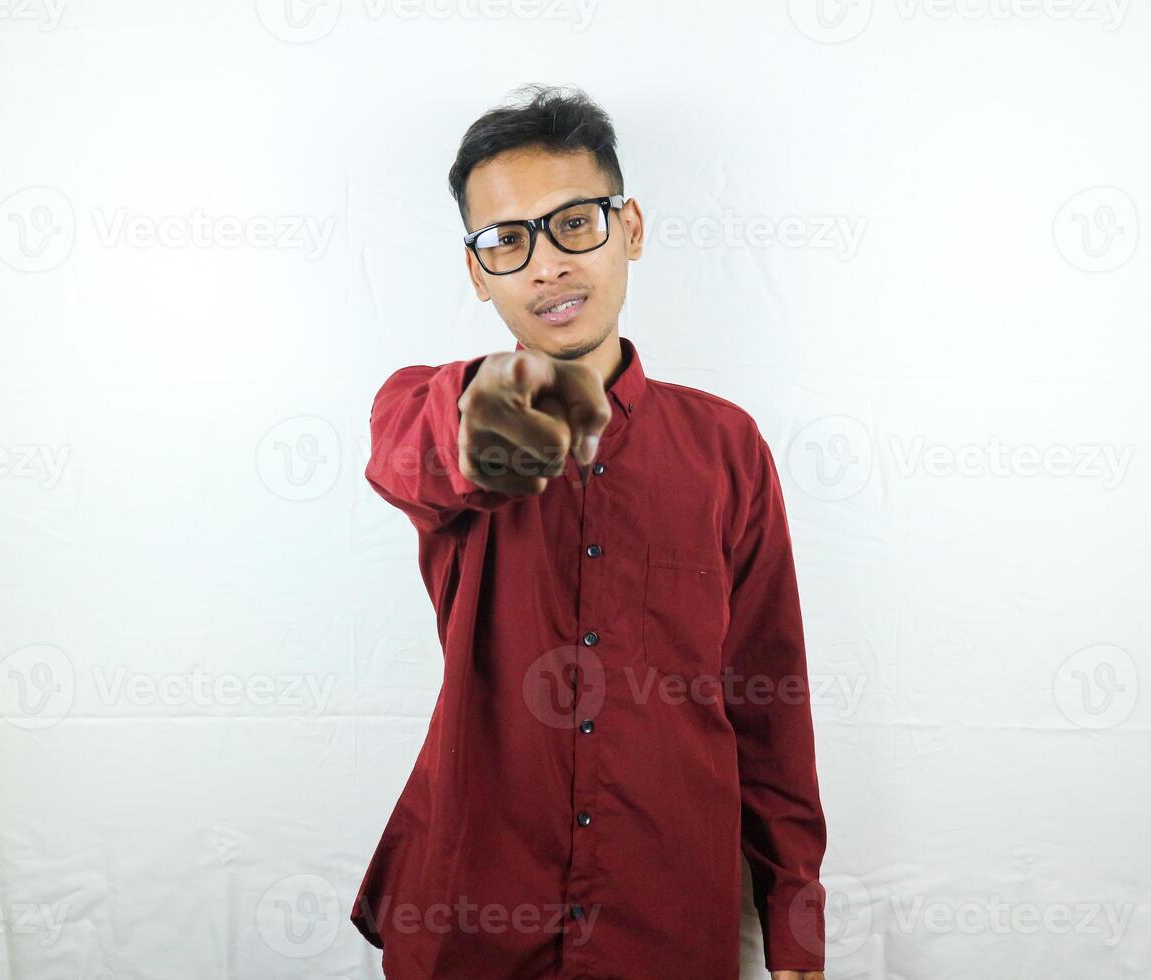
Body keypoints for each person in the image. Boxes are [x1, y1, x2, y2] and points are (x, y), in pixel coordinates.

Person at [350, 83, 827, 980]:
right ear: (477, 270)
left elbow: (767, 696)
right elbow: (406, 456)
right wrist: (488, 423)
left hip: (666, 918)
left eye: (574, 223)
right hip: (469, 918)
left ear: (630, 227)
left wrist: (793, 915)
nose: (545, 265)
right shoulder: (428, 403)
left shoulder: (726, 447)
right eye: (506, 240)